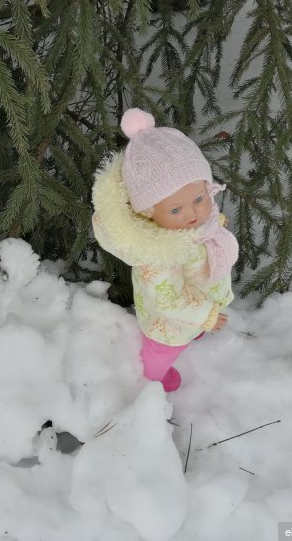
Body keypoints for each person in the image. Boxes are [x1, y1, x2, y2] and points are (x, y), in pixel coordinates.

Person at [91, 108, 238, 391]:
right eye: (175, 209)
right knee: (161, 353)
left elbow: (200, 228)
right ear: (148, 212)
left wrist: (214, 222)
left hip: (195, 304)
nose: (193, 213)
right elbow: (168, 301)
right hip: (167, 325)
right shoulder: (158, 257)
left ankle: (193, 330)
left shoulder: (188, 226)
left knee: (190, 328)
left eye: (198, 198)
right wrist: (204, 316)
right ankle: (151, 378)